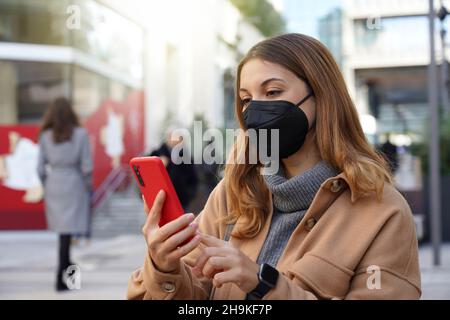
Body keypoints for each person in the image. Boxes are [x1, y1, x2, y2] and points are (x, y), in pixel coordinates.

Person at [127, 34, 421, 300]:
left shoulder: (383, 212)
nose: (255, 109)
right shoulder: (232, 195)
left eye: (272, 92)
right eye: (245, 99)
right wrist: (164, 269)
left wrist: (261, 283)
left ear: (321, 97)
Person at [37, 97, 93, 291]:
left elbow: (40, 168)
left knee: (64, 235)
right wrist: (87, 187)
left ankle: (68, 278)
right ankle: (63, 280)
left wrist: (48, 185)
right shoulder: (81, 134)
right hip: (74, 184)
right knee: (67, 236)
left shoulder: (45, 135)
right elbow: (87, 166)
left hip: (54, 185)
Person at [149, 127, 198, 211]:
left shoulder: (186, 157)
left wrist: (188, 194)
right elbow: (147, 172)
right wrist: (158, 164)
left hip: (181, 200)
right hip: (160, 199)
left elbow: (193, 178)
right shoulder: (157, 154)